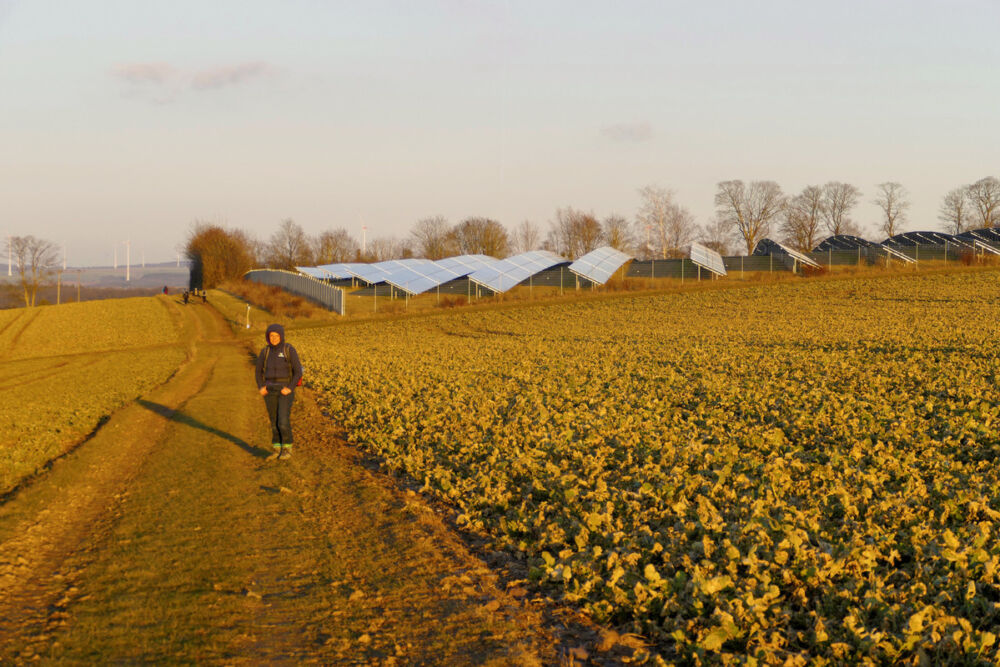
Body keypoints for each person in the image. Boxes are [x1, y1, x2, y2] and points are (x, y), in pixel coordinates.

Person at [255, 324, 303, 460]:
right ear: (268, 337)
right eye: (271, 336)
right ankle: (277, 449)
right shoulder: (265, 352)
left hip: (285, 390)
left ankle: (287, 448)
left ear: (281, 336)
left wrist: (290, 387)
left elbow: (298, 371)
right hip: (269, 390)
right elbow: (258, 371)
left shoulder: (289, 349)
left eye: (276, 335)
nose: (274, 338)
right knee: (274, 421)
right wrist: (261, 386)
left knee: (282, 420)